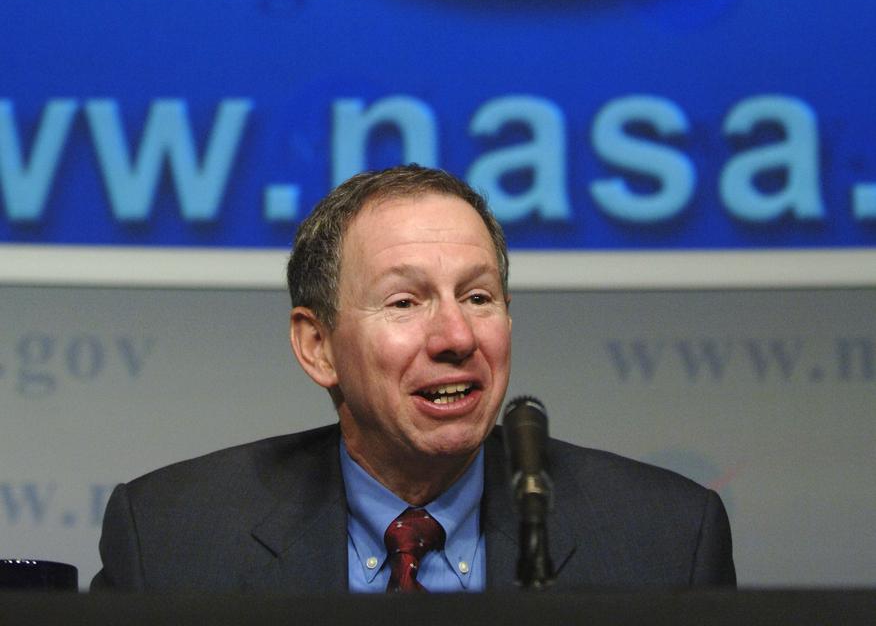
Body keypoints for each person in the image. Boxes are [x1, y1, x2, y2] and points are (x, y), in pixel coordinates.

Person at [92, 164, 735, 592]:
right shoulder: (172, 541)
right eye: (405, 302)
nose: (457, 338)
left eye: (479, 298)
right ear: (318, 347)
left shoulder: (668, 540)